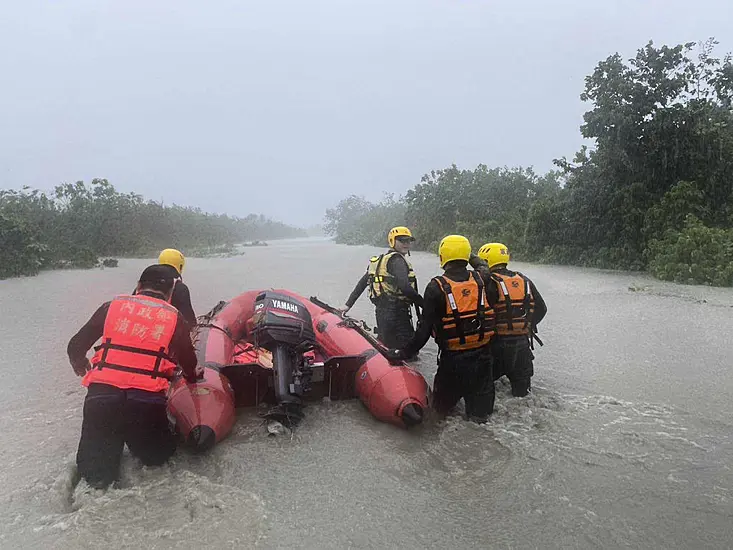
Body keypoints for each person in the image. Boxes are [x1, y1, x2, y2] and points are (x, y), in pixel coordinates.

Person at [67, 264, 202, 489]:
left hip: (100, 398)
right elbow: (189, 362)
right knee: (158, 460)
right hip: (145, 404)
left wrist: (80, 364)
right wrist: (191, 377)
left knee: (94, 478)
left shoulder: (111, 307)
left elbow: (75, 346)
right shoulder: (175, 318)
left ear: (138, 286)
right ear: (170, 294)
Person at [392, 235, 496, 423]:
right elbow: (482, 265)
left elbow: (424, 332)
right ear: (466, 256)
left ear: (442, 257)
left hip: (452, 364)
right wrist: (466, 252)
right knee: (480, 420)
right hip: (483, 362)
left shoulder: (435, 287)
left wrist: (402, 353)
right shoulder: (483, 279)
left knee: (439, 416)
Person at [470, 242, 547, 397]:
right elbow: (541, 308)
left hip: (497, 347)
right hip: (522, 348)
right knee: (522, 396)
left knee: (482, 391)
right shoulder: (524, 280)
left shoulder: (489, 282)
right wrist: (526, 326)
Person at [341, 226, 424, 350]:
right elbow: (405, 288)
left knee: (385, 346)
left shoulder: (380, 261)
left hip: (381, 311)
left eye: (408, 241)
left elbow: (363, 283)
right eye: (402, 240)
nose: (406, 244)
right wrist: (426, 305)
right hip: (398, 314)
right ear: (392, 241)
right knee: (408, 353)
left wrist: (347, 305)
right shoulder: (397, 261)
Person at [156, 248, 197, 328]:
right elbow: (189, 321)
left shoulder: (142, 285)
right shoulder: (180, 288)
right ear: (180, 266)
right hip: (164, 333)